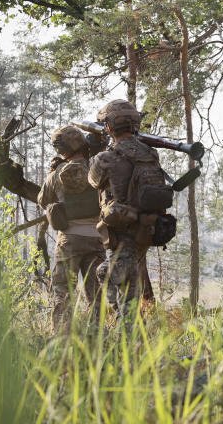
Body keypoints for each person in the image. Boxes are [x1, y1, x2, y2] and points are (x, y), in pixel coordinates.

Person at [88, 99, 173, 317]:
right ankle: (131, 334)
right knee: (127, 283)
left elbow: (93, 180)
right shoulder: (150, 153)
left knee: (110, 277)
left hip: (123, 230)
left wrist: (96, 148)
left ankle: (126, 337)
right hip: (147, 229)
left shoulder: (106, 157)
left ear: (109, 126)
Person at [37, 125, 105, 328]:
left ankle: (61, 341)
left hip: (68, 240)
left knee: (62, 291)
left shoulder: (56, 174)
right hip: (97, 239)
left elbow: (42, 200)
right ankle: (97, 339)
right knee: (97, 294)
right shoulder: (97, 169)